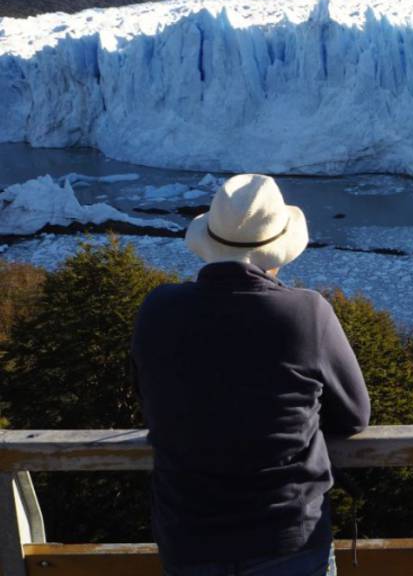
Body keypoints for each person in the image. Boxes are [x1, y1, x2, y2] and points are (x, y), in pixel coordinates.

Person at [131, 173, 371, 576]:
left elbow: (150, 401)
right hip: (288, 535)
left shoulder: (158, 310)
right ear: (279, 250)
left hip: (189, 537)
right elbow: (354, 416)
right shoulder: (306, 313)